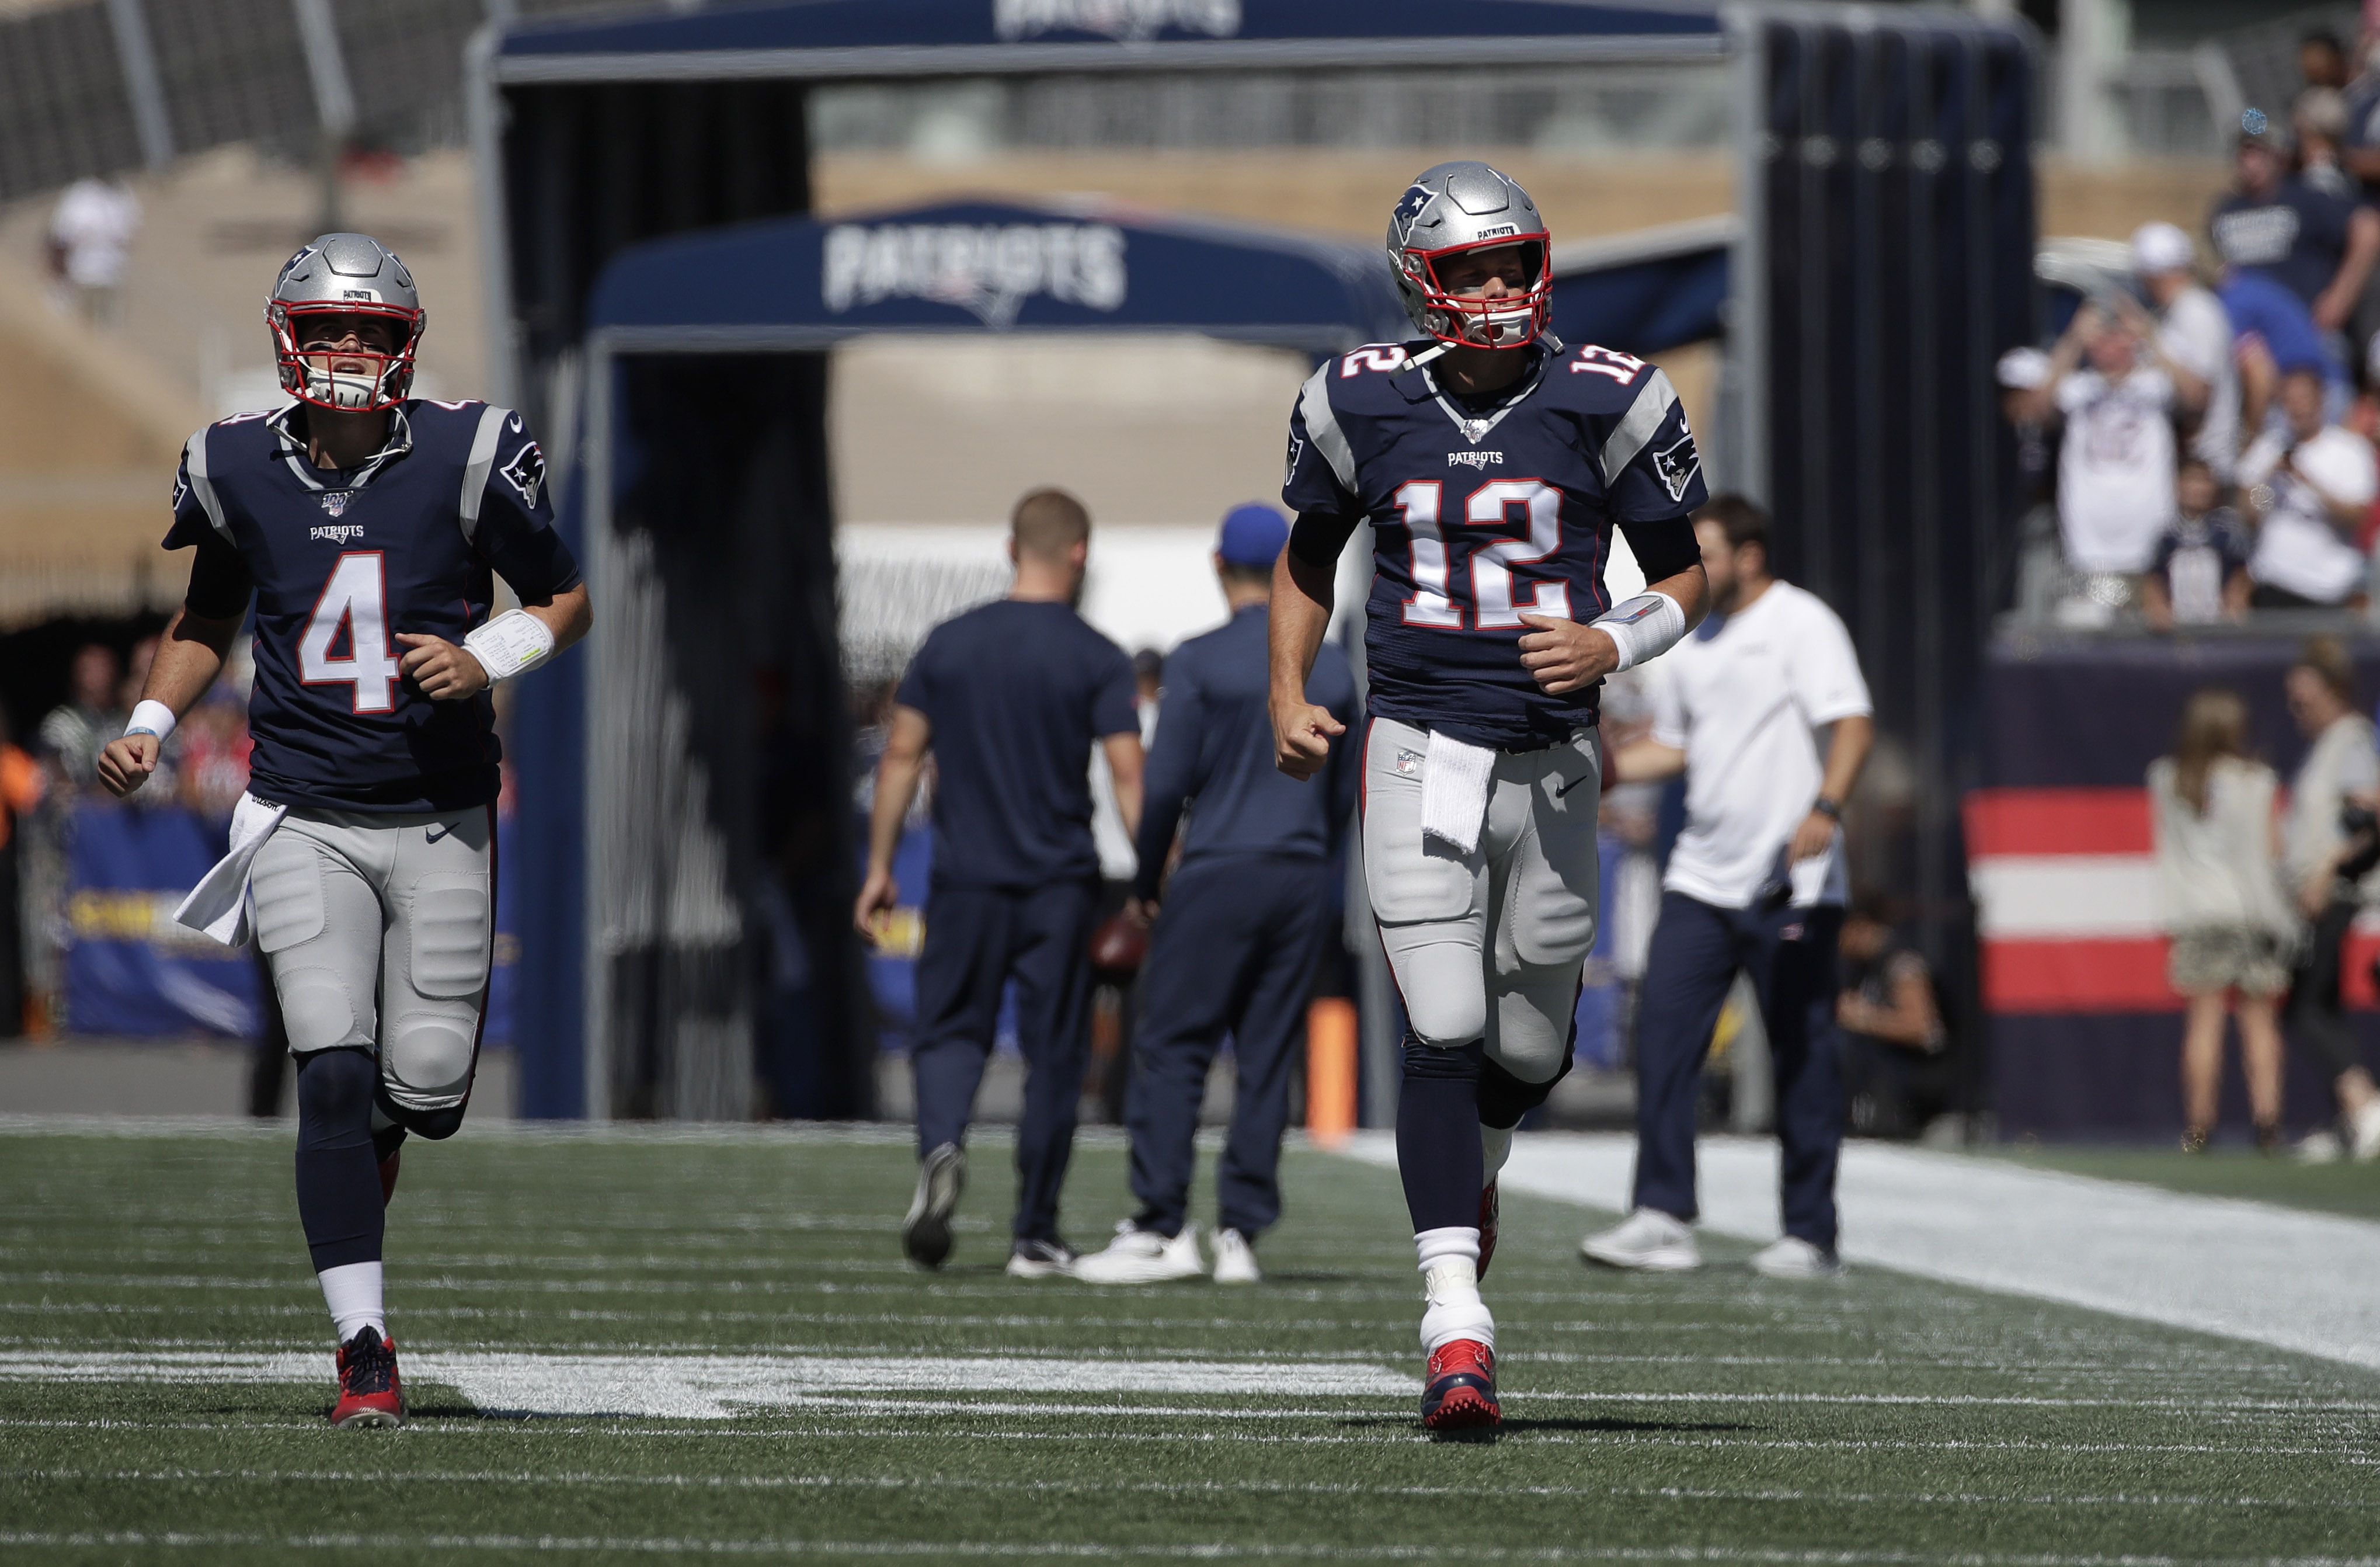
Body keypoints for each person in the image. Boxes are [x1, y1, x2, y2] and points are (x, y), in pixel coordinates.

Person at [94, 233, 592, 1429]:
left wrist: (485, 655)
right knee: (328, 1065)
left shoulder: (471, 455)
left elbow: (565, 600)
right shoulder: (230, 464)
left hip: (440, 813)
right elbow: (208, 610)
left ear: (407, 342)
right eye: (330, 330)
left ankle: (367, 1171)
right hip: (303, 812)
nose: (353, 349)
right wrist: (152, 719)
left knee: (420, 1092)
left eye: (372, 330)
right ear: (290, 340)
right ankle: (363, 1346)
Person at [1268, 161, 1712, 1430]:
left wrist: (1611, 644)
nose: (1503, 285)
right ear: (1423, 279)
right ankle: (1455, 1325)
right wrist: (1286, 693)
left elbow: (1685, 575)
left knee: (1526, 1049)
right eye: (1475, 267)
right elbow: (1309, 557)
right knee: (1444, 1026)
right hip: (1419, 746)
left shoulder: (1607, 395)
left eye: (1516, 260)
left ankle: (1483, 1162)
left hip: (1556, 757)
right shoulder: (1355, 400)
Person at [1581, 492, 1874, 1279]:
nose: (1694, 569)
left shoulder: (1803, 623)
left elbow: (1852, 722)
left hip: (1792, 884)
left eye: (1706, 552)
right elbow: (1669, 748)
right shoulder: (1695, 641)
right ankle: (1663, 1214)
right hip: (1701, 877)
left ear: (1749, 555)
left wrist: (1826, 808)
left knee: (1802, 1056)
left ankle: (1810, 1233)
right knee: (1666, 1040)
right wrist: (1588, 770)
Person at [855, 487, 1146, 1280]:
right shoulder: (1094, 653)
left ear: (1012, 548)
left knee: (950, 1030)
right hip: (1059, 882)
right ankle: (1034, 1230)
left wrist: (880, 864)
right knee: (1055, 1054)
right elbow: (1128, 774)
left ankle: (943, 1139)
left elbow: (901, 758)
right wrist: (1156, 873)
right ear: (1079, 553)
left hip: (964, 877)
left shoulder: (950, 642)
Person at [1073, 504, 1358, 1287]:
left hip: (1217, 868)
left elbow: (1164, 784)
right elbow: (1346, 792)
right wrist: (1323, 867)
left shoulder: (1196, 660)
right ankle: (1241, 1230)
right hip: (1301, 874)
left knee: (1172, 1046)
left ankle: (1164, 1223)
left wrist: (1145, 878)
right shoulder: (1332, 664)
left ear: (1216, 563)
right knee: (1268, 1056)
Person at [2149, 687, 2296, 1153]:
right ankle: (2268, 1125)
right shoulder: (2255, 780)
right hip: (2248, 912)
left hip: (2197, 913)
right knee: (2259, 1023)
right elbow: (2272, 852)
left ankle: (2198, 1127)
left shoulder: (2166, 778)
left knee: (2204, 1024)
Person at [2013, 302, 2207, 612]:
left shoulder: (2154, 386)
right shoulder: (2078, 388)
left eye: (2116, 336)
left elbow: (2198, 395)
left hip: (2149, 550)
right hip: (2088, 553)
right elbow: (2033, 412)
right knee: (2086, 643)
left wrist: (2150, 336)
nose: (2108, 346)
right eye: (2100, 337)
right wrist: (2073, 341)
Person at [2275, 640, 2380, 1161]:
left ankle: (2364, 1106)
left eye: (2304, 699)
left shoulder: (2350, 740)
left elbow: (2369, 818)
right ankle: (2349, 1116)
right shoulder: (2326, 745)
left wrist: (2325, 873)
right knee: (2316, 1001)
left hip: (2339, 892)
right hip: (2318, 892)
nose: (2297, 710)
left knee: (2308, 1005)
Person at [2210, 119, 2379, 336]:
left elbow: (2368, 230)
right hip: (2246, 333)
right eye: (2244, 153)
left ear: (2279, 156)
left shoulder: (2305, 198)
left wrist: (2339, 300)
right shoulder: (2226, 209)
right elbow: (2218, 266)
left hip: (2305, 327)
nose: (2249, 162)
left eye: (2258, 153)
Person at [2239, 365, 2379, 609]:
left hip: (2328, 588)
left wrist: (2309, 483)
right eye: (2290, 401)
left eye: (2304, 399)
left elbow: (2357, 517)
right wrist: (2268, 481)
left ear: (2321, 400)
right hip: (2274, 582)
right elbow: (2249, 514)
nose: (2297, 408)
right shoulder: (2269, 446)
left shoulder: (2349, 450)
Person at [1834, 891, 1949, 1141]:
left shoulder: (1901, 964)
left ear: (1860, 926)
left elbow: (1921, 1028)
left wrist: (1863, 1017)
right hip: (1882, 1084)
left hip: (1916, 1083)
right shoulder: (1862, 967)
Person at [2132, 223, 2239, 482]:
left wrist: (2148, 339)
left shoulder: (2197, 311)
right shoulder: (2171, 313)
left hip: (2206, 470)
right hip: (2184, 467)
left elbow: (2197, 395)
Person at [2142, 457, 2253, 630]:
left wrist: (2235, 602)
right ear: (2178, 485)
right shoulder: (2166, 534)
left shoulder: (2227, 532)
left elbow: (2242, 574)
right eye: (2192, 480)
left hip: (2218, 625)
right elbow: (2153, 578)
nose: (2198, 489)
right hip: (2176, 627)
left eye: (2204, 481)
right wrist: (2158, 607)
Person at [45, 177, 140, 328]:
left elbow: (129, 237)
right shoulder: (79, 197)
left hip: (110, 279)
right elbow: (59, 240)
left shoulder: (123, 196)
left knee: (105, 333)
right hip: (82, 278)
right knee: (82, 328)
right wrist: (59, 280)